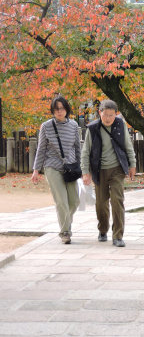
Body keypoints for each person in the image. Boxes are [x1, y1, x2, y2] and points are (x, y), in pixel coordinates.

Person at [81, 100, 136, 247]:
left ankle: (118, 235)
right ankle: (103, 229)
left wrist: (132, 164)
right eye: (105, 115)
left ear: (116, 114)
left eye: (111, 115)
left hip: (117, 168)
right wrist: (85, 172)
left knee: (117, 200)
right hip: (99, 170)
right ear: (100, 113)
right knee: (101, 203)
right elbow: (85, 151)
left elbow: (127, 145)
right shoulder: (92, 129)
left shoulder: (120, 125)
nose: (108, 118)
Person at [31, 96, 81, 244]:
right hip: (52, 167)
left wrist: (81, 167)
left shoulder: (73, 125)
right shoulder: (46, 126)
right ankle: (65, 232)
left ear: (67, 109)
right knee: (62, 202)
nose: (59, 112)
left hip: (71, 168)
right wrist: (36, 170)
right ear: (52, 111)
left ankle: (66, 224)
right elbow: (41, 149)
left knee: (74, 202)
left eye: (62, 108)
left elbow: (77, 147)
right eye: (56, 109)